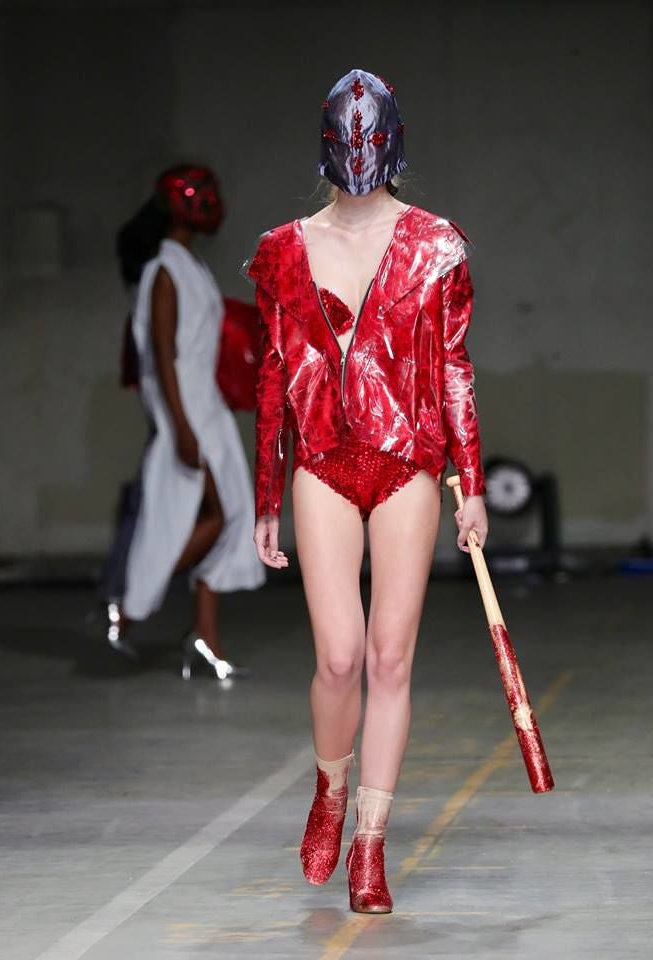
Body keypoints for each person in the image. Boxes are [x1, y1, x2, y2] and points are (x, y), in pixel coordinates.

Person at [246, 70, 488, 913]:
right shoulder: (282, 250)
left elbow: (453, 365)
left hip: (406, 461)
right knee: (339, 657)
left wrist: (472, 483)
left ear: (390, 141)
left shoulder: (436, 244)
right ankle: (329, 785)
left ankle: (370, 846)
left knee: (389, 657)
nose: (357, 152)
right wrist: (265, 495)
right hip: (321, 460)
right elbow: (272, 375)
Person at [108, 165, 264, 678]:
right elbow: (162, 355)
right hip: (188, 410)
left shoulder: (190, 266)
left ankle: (205, 638)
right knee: (213, 518)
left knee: (235, 516)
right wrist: (179, 426)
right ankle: (127, 608)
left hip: (206, 405)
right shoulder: (163, 270)